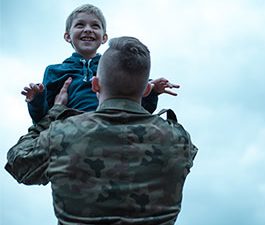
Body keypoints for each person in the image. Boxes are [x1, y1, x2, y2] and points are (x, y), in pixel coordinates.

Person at [5, 36, 198, 225]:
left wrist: (53, 113)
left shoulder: (62, 135)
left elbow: (18, 163)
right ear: (147, 90)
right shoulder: (178, 140)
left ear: (95, 84)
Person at [22, 4, 179, 123]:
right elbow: (42, 119)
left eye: (95, 26)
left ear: (104, 38)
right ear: (67, 36)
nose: (88, 29)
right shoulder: (55, 71)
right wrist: (36, 100)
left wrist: (152, 91)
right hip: (70, 136)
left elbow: (139, 109)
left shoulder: (117, 65)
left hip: (111, 129)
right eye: (80, 25)